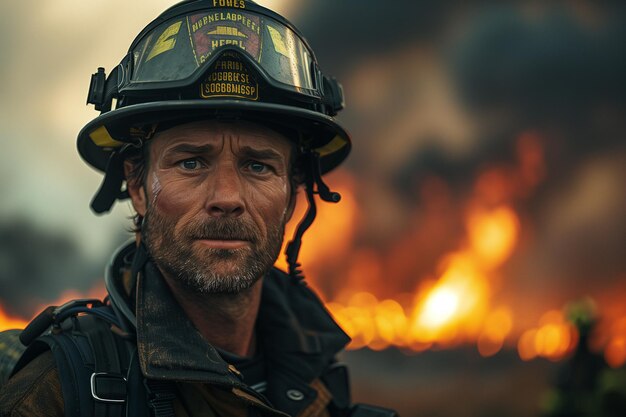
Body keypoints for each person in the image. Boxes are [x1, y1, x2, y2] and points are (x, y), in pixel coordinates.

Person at [0, 1, 397, 416]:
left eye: (258, 165)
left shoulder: (317, 376)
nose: (226, 197)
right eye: (191, 162)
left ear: (293, 192)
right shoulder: (58, 393)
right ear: (137, 186)